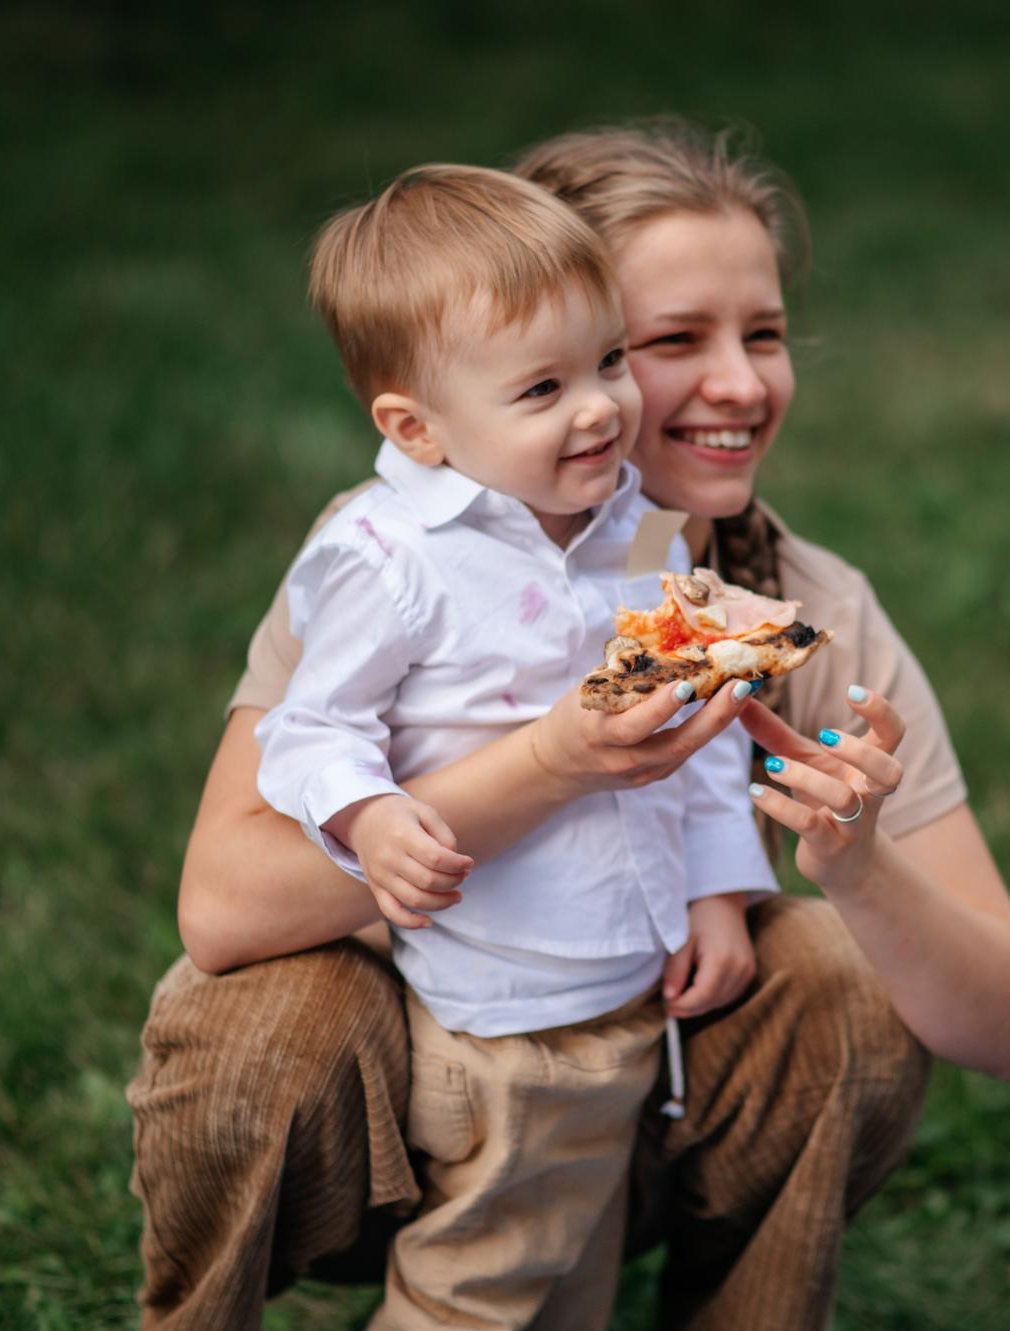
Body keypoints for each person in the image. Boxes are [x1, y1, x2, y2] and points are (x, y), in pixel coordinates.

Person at [127, 118, 1010, 1331]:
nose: (738, 382)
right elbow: (225, 904)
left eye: (762, 333)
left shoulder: (779, 601)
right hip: (407, 1085)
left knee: (840, 979)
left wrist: (854, 863)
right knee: (252, 1020)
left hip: (618, 1079)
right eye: (672, 339)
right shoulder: (394, 555)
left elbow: (1005, 1023)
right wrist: (548, 763)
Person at [252, 160, 780, 1330]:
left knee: (564, 1291)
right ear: (416, 426)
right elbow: (310, 731)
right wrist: (371, 815)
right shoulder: (391, 560)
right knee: (474, 1296)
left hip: (622, 999)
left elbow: (688, 727)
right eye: (542, 388)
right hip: (504, 1016)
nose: (599, 407)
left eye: (604, 362)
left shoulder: (637, 529)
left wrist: (719, 886)